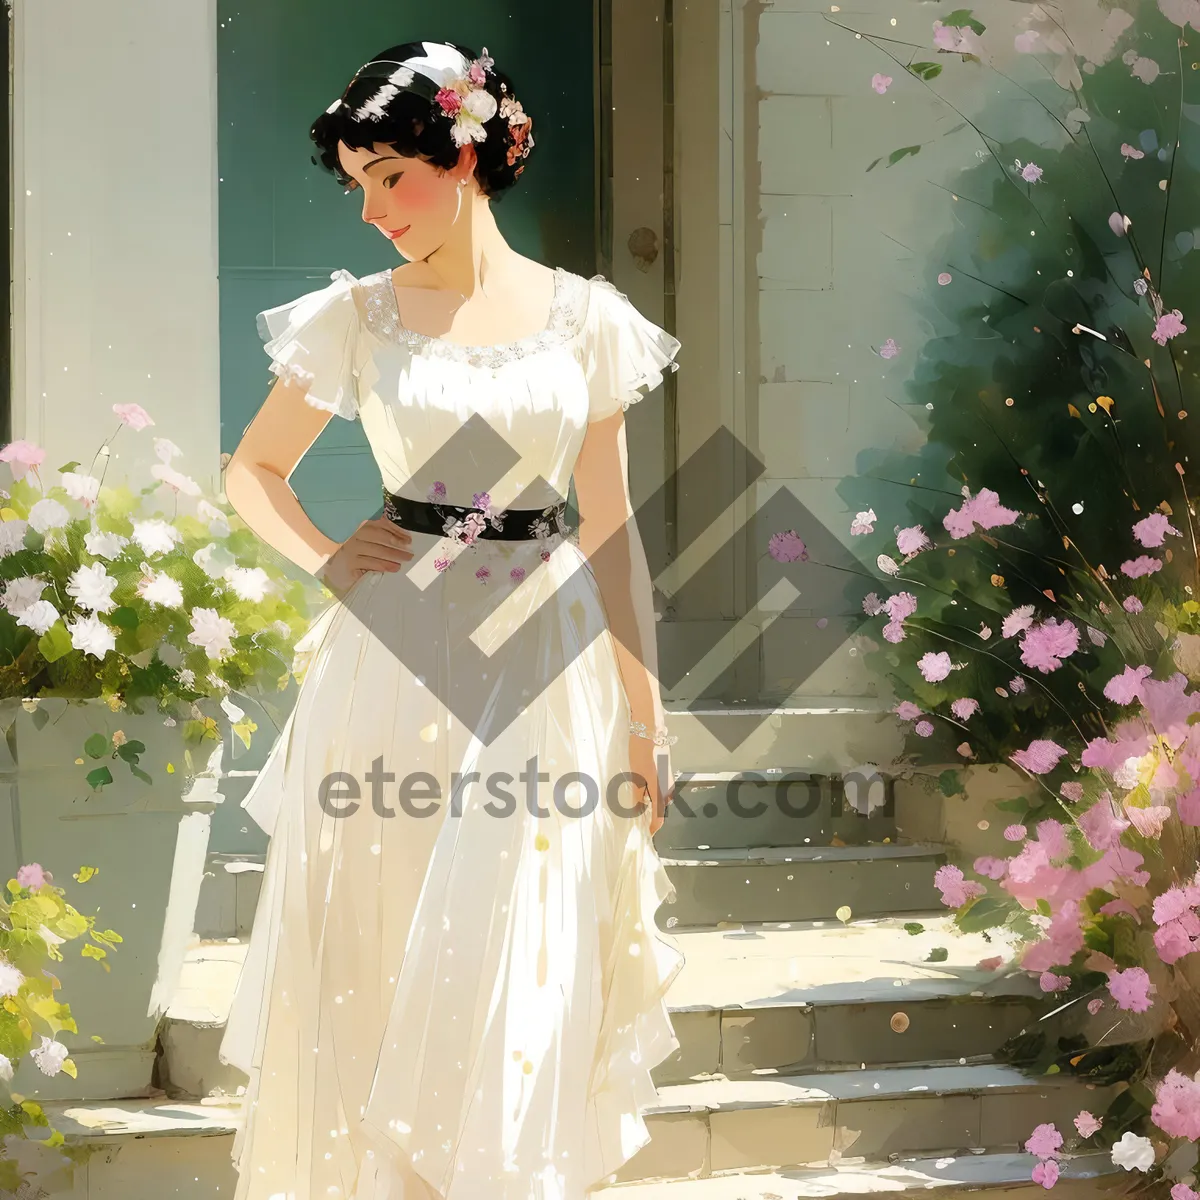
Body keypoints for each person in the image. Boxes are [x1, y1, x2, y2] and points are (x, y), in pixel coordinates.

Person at [217, 39, 685, 1200]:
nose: (374, 210)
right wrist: (330, 559)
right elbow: (252, 471)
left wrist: (647, 719)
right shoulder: (356, 319)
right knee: (386, 957)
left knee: (526, 958)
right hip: (395, 661)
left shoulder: (587, 319)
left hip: (547, 654)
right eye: (358, 184)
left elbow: (613, 531)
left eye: (390, 175)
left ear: (463, 154)